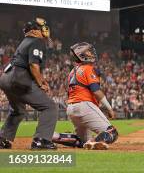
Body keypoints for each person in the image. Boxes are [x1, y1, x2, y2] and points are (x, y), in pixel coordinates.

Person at [0, 18, 59, 149]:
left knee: (18, 110)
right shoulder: (37, 41)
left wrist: (42, 80)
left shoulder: (25, 41)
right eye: (40, 28)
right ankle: (41, 140)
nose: (43, 30)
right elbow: (33, 65)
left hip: (6, 78)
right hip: (18, 79)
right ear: (33, 31)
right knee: (49, 107)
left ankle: (2, 138)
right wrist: (40, 84)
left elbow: (27, 65)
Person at [52, 42, 118, 150]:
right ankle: (93, 142)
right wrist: (109, 108)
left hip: (71, 108)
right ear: (82, 55)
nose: (91, 53)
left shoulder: (72, 72)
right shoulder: (88, 68)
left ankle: (52, 136)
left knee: (81, 141)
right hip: (84, 106)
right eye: (88, 51)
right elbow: (96, 91)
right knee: (112, 132)